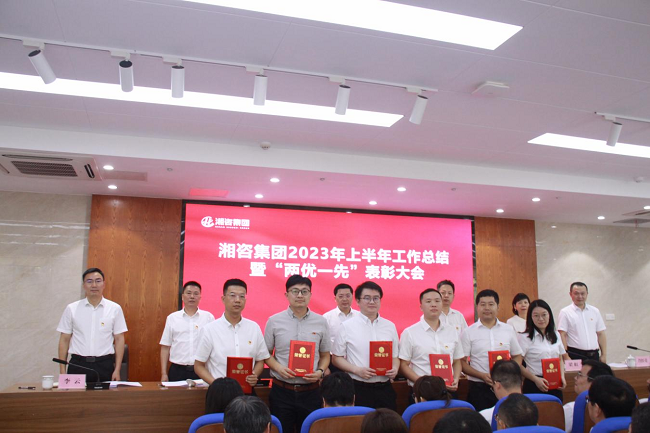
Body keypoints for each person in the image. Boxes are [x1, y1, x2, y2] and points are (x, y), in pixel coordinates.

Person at [264, 275, 331, 433]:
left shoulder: (321, 322)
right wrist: (279, 368)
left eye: (304, 291)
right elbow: (266, 354)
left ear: (310, 295)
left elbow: (325, 355)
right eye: (295, 291)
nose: (300, 295)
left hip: (311, 392)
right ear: (287, 294)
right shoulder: (274, 321)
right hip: (282, 391)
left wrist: (320, 372)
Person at [332, 281, 399, 410]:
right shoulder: (347, 326)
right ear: (358, 301)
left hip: (385, 387)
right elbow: (336, 358)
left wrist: (395, 368)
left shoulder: (390, 326)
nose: (372, 302)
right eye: (367, 298)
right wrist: (357, 370)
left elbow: (395, 356)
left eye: (376, 298)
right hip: (359, 386)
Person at [194, 279, 269, 388]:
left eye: (242, 296)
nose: (237, 300)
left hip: (246, 389)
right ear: (223, 299)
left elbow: (260, 360)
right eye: (232, 295)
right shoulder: (209, 330)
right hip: (219, 391)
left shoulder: (254, 328)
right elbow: (198, 366)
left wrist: (254, 375)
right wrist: (216, 385)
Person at [57, 267, 128, 382]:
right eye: (89, 281)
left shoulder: (114, 309)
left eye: (98, 281)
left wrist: (117, 370)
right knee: (75, 394)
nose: (94, 285)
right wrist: (62, 371)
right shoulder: (72, 309)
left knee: (104, 394)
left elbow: (119, 339)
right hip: (78, 365)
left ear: (104, 284)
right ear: (84, 285)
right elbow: (64, 339)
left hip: (104, 365)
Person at [461, 289, 523, 411]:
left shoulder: (508, 329)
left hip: (505, 386)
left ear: (498, 307)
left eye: (491, 304)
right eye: (483, 304)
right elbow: (462, 362)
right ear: (477, 307)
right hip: (479, 387)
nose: (487, 308)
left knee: (506, 418)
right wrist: (481, 375)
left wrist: (509, 372)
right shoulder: (468, 332)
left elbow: (517, 356)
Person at [399, 288, 463, 401]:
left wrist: (456, 378)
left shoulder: (452, 331)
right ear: (421, 307)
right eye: (428, 301)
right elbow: (404, 365)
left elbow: (457, 361)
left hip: (447, 391)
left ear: (442, 304)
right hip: (421, 392)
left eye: (437, 301)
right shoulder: (410, 333)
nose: (433, 304)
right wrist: (422, 383)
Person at [160, 281, 215, 382]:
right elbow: (165, 347)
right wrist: (164, 373)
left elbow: (214, 346)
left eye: (196, 293)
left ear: (200, 297)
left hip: (201, 369)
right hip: (177, 370)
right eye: (189, 293)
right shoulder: (172, 318)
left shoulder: (208, 317)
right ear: (182, 296)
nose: (192, 296)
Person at [518, 299, 566, 402]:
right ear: (530, 317)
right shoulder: (524, 337)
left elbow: (560, 359)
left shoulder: (556, 334)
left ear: (549, 315)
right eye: (536, 315)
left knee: (556, 410)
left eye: (544, 315)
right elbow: (517, 364)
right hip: (534, 383)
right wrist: (535, 379)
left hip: (555, 383)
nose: (541, 319)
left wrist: (561, 376)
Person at [558, 282, 607, 362]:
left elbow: (601, 333)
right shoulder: (565, 312)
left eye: (582, 293)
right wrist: (565, 356)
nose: (580, 296)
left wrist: (604, 355)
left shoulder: (595, 311)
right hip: (575, 354)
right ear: (570, 294)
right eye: (576, 293)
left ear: (587, 294)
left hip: (594, 354)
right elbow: (562, 335)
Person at [563, 359, 614, 433]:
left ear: (593, 382)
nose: (575, 378)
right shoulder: (617, 405)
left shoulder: (571, 409)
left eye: (580, 375)